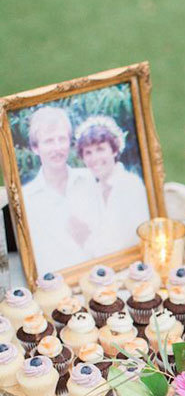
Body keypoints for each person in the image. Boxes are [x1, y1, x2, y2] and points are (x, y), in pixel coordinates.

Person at [21, 106, 99, 272]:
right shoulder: (27, 198)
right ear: (35, 148)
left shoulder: (89, 179)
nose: (57, 148)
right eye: (49, 141)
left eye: (61, 139)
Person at [75, 115, 150, 257]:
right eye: (88, 152)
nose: (94, 158)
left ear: (114, 150)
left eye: (100, 149)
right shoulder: (91, 192)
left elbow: (136, 239)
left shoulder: (131, 185)